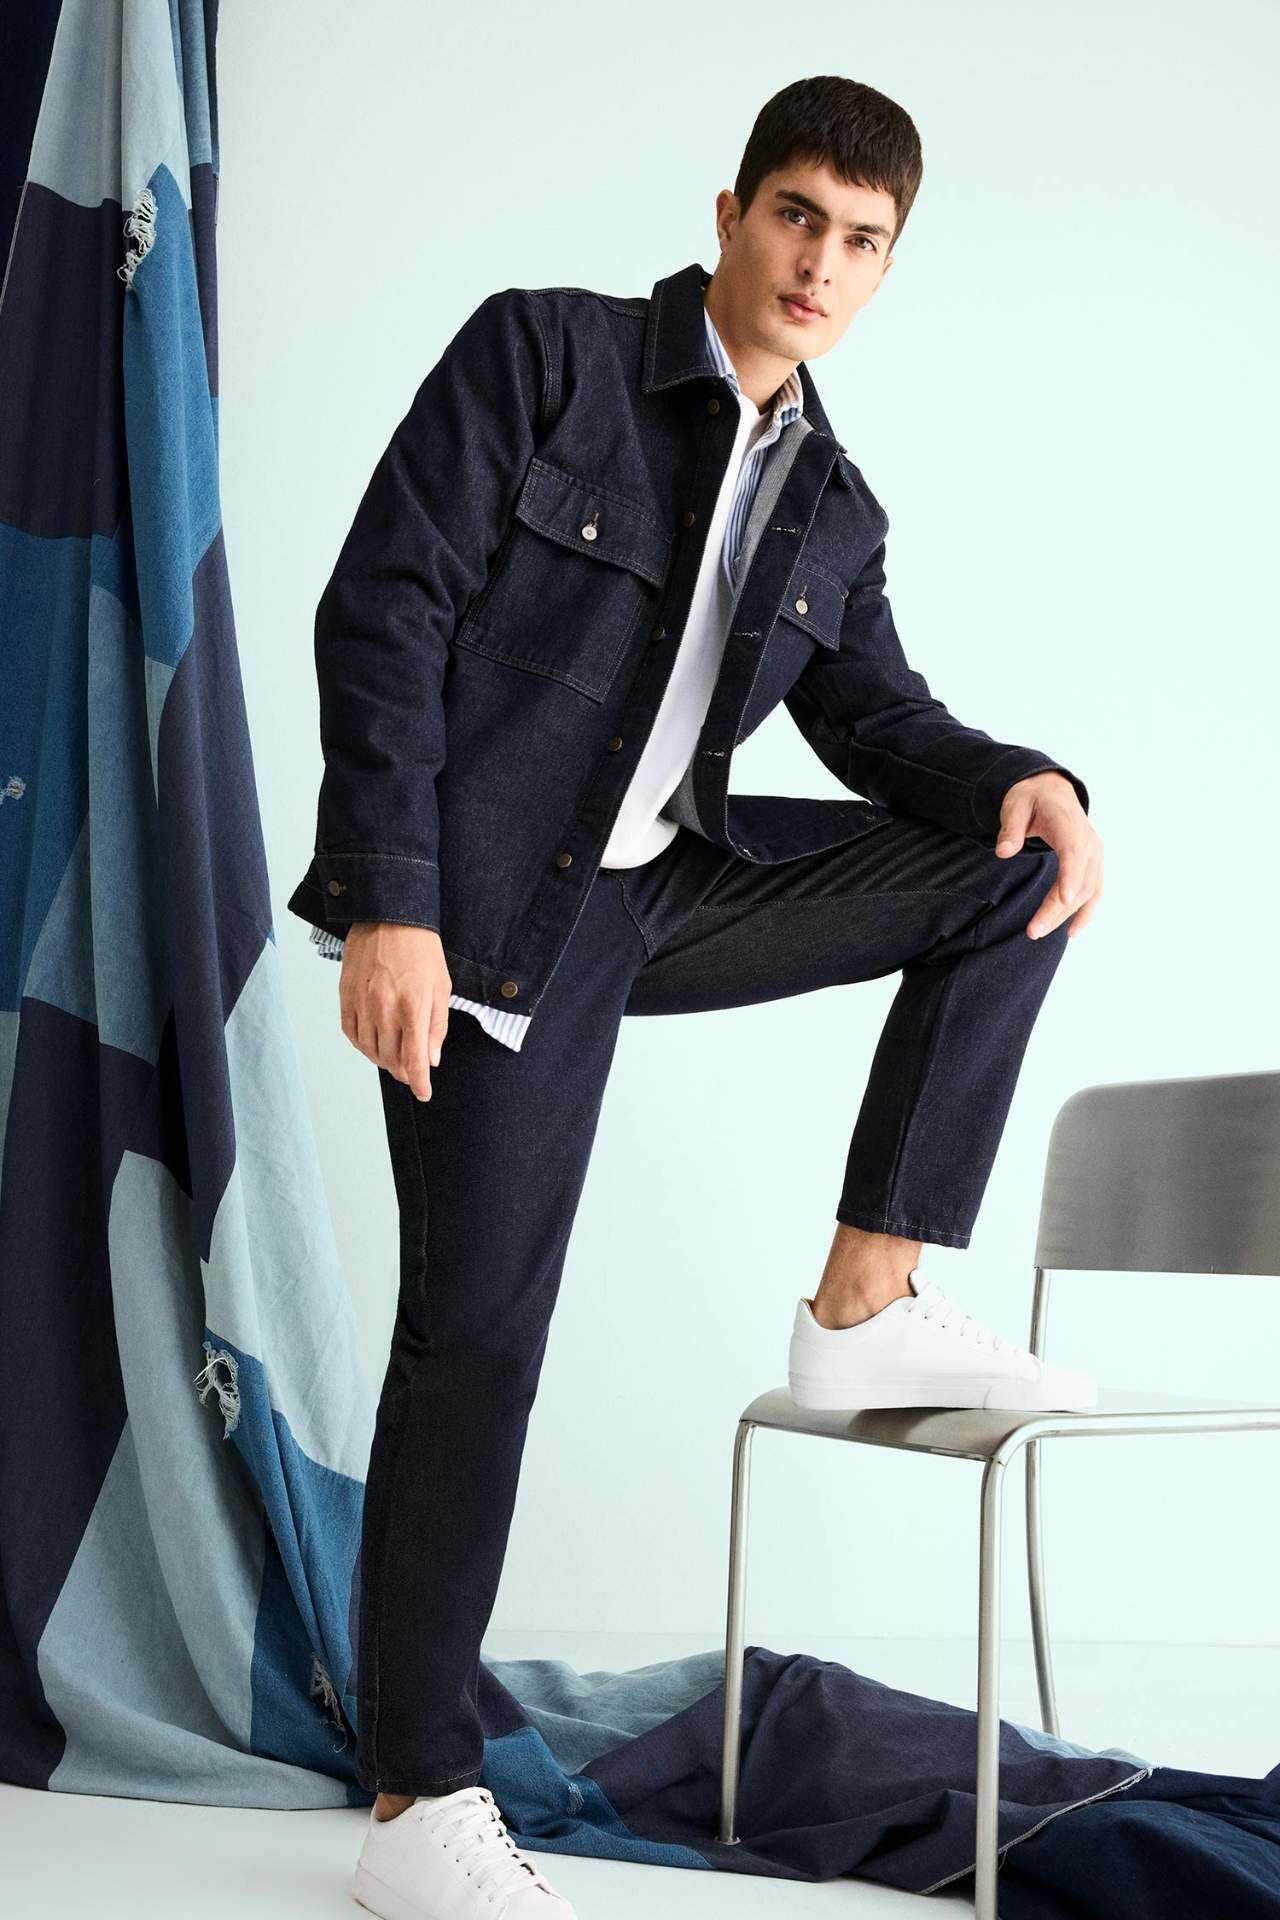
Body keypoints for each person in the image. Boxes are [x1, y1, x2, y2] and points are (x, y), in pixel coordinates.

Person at [287, 73, 1105, 1920]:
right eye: (798, 215)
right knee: (478, 1334)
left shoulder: (835, 501)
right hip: (494, 912)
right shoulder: (545, 356)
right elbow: (385, 609)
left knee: (1016, 871)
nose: (822, 262)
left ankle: (866, 1296)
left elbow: (879, 723)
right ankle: (418, 1800)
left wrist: (1031, 780)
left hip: (669, 891)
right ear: (732, 213)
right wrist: (394, 904)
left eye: (863, 240)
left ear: (888, 268)